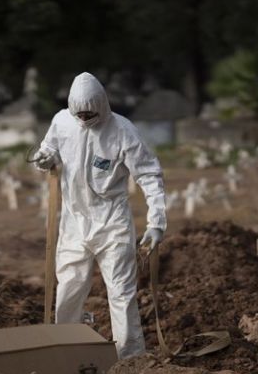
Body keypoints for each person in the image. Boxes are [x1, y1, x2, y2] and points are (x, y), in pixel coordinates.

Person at [32, 72, 166, 359]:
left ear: (102, 106)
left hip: (111, 221)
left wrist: (156, 223)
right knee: (69, 287)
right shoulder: (62, 122)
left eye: (90, 114)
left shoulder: (122, 130)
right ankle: (66, 351)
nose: (85, 119)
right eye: (79, 113)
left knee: (120, 291)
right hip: (73, 220)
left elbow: (149, 174)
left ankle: (130, 358)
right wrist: (43, 160)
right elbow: (48, 150)